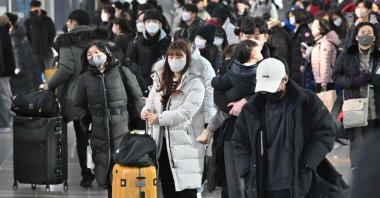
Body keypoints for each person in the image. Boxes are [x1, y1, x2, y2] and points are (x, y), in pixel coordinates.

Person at [232, 58, 335, 198]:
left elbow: (326, 131)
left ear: (285, 79)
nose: (268, 93)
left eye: (272, 87)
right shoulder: (251, 109)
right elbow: (239, 141)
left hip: (296, 182)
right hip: (261, 184)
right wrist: (247, 170)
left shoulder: (306, 101)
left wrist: (307, 163)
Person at [45, 10, 109, 187]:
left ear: (73, 22)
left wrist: (49, 84)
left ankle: (87, 175)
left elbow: (65, 70)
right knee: (101, 136)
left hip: (78, 97)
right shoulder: (99, 41)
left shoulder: (67, 42)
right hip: (100, 93)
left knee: (82, 137)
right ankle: (105, 174)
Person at [76, 40, 144, 197]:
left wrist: (138, 126)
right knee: (105, 169)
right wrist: (87, 123)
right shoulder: (84, 78)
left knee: (123, 168)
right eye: (89, 54)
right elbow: (79, 105)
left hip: (123, 126)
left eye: (97, 52)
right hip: (99, 129)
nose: (94, 56)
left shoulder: (122, 71)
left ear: (107, 54)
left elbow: (137, 99)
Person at [197, 40, 263, 198]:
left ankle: (208, 131)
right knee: (235, 182)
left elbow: (265, 95)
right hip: (231, 132)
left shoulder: (256, 69)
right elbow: (218, 97)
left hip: (252, 130)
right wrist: (233, 105)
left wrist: (245, 101)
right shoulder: (248, 70)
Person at [141, 40, 206, 198]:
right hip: (161, 143)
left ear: (187, 58)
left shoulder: (196, 83)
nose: (173, 60)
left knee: (185, 190)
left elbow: (185, 112)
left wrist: (159, 118)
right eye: (170, 57)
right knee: (168, 188)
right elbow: (151, 100)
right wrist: (146, 111)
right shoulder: (161, 79)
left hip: (185, 143)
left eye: (178, 57)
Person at [332, 22, 380, 171]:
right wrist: (353, 81)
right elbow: (336, 75)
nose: (366, 34)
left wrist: (373, 79)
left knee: (371, 139)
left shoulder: (378, 55)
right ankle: (356, 168)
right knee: (356, 140)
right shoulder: (347, 54)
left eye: (369, 32)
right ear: (357, 36)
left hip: (374, 104)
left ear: (374, 37)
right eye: (363, 31)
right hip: (354, 103)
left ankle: (370, 169)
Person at [127, 9, 171, 87]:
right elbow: (131, 62)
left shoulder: (168, 43)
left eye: (154, 21)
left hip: (162, 84)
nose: (151, 24)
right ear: (144, 24)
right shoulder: (136, 42)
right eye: (148, 21)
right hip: (142, 84)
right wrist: (139, 76)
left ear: (160, 24)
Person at [5, 12, 41, 95]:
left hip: (22, 74)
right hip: (30, 71)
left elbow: (17, 53)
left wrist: (17, 68)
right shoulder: (21, 34)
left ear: (9, 23)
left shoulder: (13, 37)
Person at [310, 17, 340, 92]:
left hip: (326, 82)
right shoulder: (320, 43)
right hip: (322, 80)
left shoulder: (325, 44)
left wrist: (324, 82)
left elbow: (325, 63)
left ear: (321, 29)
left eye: (314, 27)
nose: (312, 29)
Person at [24, 0, 56, 70]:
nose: (36, 9)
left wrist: (50, 44)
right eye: (33, 7)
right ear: (31, 9)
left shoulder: (48, 20)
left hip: (47, 52)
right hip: (34, 53)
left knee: (50, 73)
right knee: (36, 74)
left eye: (37, 7)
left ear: (40, 8)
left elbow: (52, 33)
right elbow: (25, 36)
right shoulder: (28, 22)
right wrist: (30, 47)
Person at [288, 9, 314, 87]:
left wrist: (303, 63)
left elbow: (308, 46)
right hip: (295, 66)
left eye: (291, 16)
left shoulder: (304, 29)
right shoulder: (295, 31)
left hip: (300, 66)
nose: (290, 18)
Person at [0, 15, 15, 133]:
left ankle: (9, 116)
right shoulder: (5, 32)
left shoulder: (2, 33)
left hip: (3, 70)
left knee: (4, 94)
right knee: (7, 93)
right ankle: (10, 116)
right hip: (7, 69)